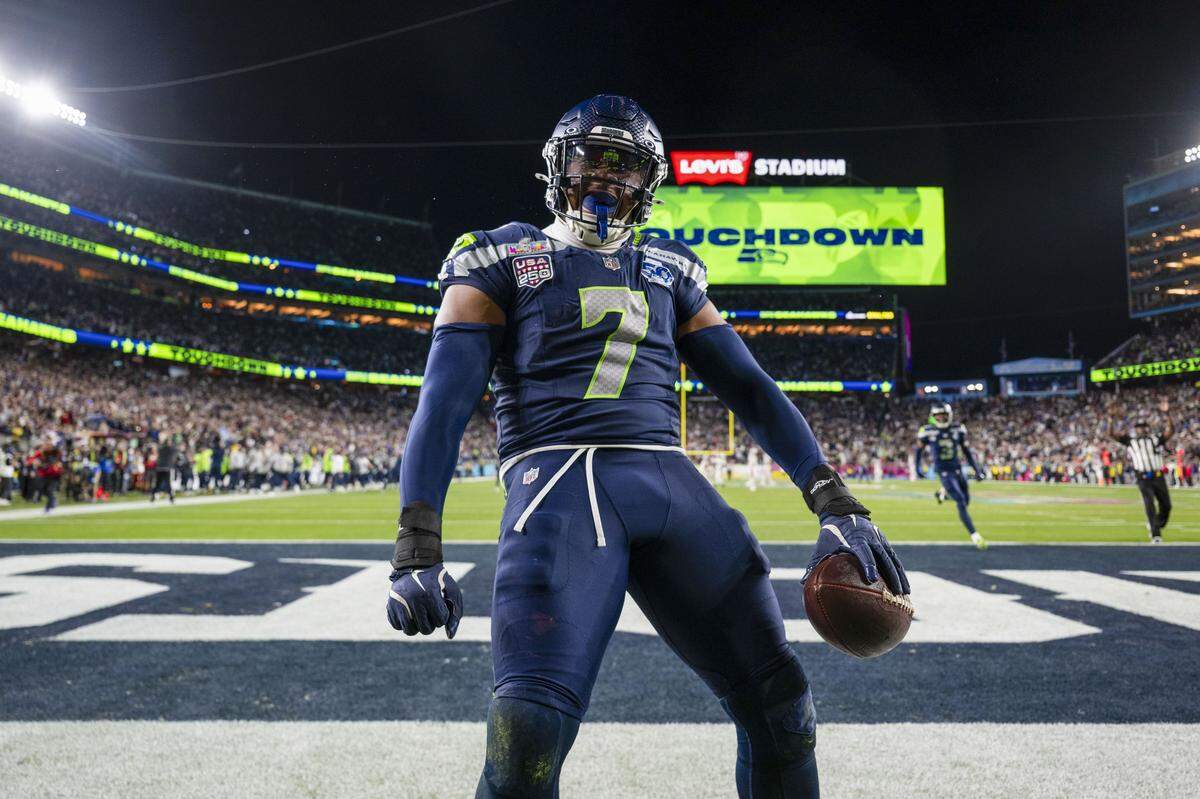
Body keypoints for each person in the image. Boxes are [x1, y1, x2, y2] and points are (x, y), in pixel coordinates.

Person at [384, 94, 909, 799]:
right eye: (590, 160)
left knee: (784, 710)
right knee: (527, 734)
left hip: (672, 487)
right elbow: (443, 406)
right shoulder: (501, 254)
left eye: (624, 168)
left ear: (649, 182)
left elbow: (750, 387)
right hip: (557, 487)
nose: (605, 180)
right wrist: (418, 541)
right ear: (556, 166)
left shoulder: (669, 266)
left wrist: (832, 494)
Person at [915, 402, 987, 549]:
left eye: (943, 415)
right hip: (943, 470)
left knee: (966, 500)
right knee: (960, 501)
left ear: (949, 415)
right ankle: (975, 535)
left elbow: (966, 452)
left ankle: (942, 494)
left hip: (958, 469)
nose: (941, 418)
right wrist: (917, 468)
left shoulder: (958, 429)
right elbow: (918, 452)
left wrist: (977, 470)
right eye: (938, 416)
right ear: (933, 417)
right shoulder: (927, 431)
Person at [1107, 399, 1174, 542]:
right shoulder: (1130, 441)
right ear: (1135, 429)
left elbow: (1170, 432)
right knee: (1149, 503)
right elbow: (1111, 434)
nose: (1142, 429)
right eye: (1139, 427)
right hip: (1143, 477)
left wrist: (1167, 414)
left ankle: (1156, 523)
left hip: (1158, 475)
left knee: (1167, 505)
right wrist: (1110, 418)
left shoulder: (1155, 439)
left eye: (1144, 426)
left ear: (1147, 428)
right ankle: (1156, 534)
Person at [149, 435, 178, 504]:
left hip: (159, 468)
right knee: (167, 484)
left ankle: (153, 496)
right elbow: (175, 450)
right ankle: (171, 498)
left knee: (157, 484)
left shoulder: (160, 448)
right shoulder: (170, 449)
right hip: (166, 468)